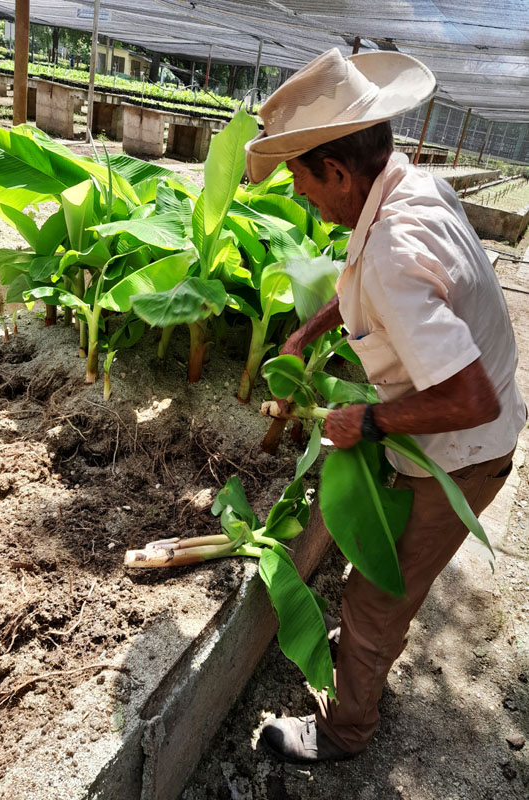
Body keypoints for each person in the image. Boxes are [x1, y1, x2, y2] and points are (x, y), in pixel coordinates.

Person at [244, 48, 527, 763]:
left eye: (304, 185)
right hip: (478, 440)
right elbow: (364, 286)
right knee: (386, 591)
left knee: (372, 600)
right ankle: (365, 662)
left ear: (337, 172)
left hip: (462, 451)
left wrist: (363, 419)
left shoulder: (393, 252)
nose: (305, 199)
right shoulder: (410, 187)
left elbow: (467, 395)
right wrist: (304, 334)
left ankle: (344, 733)